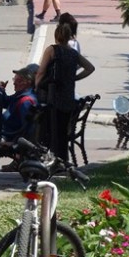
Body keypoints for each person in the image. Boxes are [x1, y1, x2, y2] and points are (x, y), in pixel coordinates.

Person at [35, 23, 95, 162]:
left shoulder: (52, 50)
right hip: (68, 98)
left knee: (47, 129)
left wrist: (37, 85)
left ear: (56, 36)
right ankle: (62, 160)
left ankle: (46, 158)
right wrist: (74, 77)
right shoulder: (73, 53)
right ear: (69, 37)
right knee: (62, 132)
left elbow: (41, 71)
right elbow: (90, 68)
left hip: (52, 96)